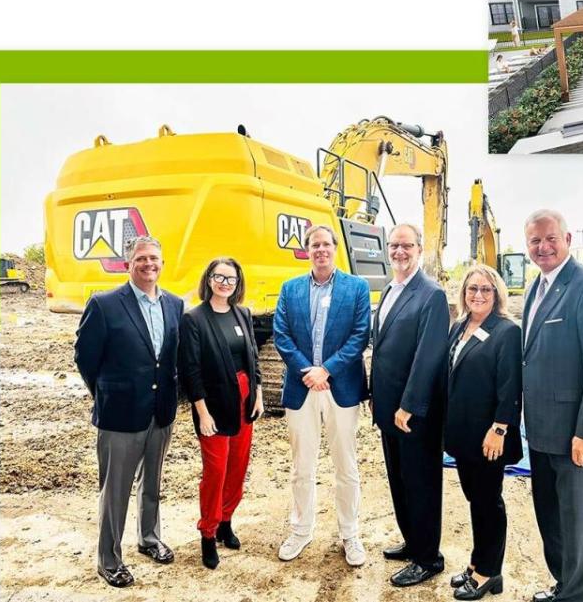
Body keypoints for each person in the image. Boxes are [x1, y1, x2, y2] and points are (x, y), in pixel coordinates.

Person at [522, 210, 583, 602]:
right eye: (534, 241)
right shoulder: (536, 288)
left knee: (580, 527)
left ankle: (577, 595)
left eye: (550, 239)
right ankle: (563, 586)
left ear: (566, 239)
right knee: (553, 521)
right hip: (543, 433)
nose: (542, 247)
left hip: (576, 436)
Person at [74, 236, 183, 587]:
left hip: (160, 411)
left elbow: (171, 358)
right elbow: (86, 358)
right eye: (141, 259)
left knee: (151, 482)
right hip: (120, 413)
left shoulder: (175, 304)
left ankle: (149, 539)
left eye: (154, 258)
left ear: (162, 263)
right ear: (128, 264)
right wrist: (105, 393)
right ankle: (108, 559)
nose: (148, 264)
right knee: (116, 489)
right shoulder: (104, 304)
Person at [273, 224, 371, 567]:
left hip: (340, 387)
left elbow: (360, 336)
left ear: (335, 248)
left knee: (346, 466)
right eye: (314, 245)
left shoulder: (356, 288)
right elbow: (281, 335)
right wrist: (308, 372)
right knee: (302, 466)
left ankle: (350, 533)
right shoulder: (290, 289)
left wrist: (326, 370)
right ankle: (301, 530)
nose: (320, 250)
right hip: (303, 388)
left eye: (326, 244)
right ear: (307, 250)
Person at [371, 223, 451, 587]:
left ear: (419, 249)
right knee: (399, 481)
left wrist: (409, 406)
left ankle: (428, 557)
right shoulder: (391, 288)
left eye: (406, 245)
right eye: (393, 245)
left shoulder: (430, 295)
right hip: (389, 409)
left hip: (413, 413)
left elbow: (428, 356)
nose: (399, 252)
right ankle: (412, 541)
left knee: (421, 484)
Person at [179, 257, 263, 570]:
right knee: (215, 472)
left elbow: (252, 357)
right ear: (209, 279)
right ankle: (208, 532)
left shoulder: (242, 313)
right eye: (219, 276)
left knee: (238, 468)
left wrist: (257, 395)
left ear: (237, 283)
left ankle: (226, 521)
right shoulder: (195, 319)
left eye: (230, 278)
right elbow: (191, 371)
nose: (224, 283)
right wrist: (201, 412)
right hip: (213, 405)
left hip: (243, 401)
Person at [445, 265, 522, 601]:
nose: (477, 295)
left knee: (488, 502)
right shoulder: (460, 326)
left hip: (490, 435)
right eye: (472, 288)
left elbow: (510, 387)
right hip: (463, 435)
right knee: (476, 500)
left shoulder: (506, 331)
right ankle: (480, 564)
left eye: (485, 290)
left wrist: (500, 428)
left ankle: (489, 572)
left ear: (497, 294)